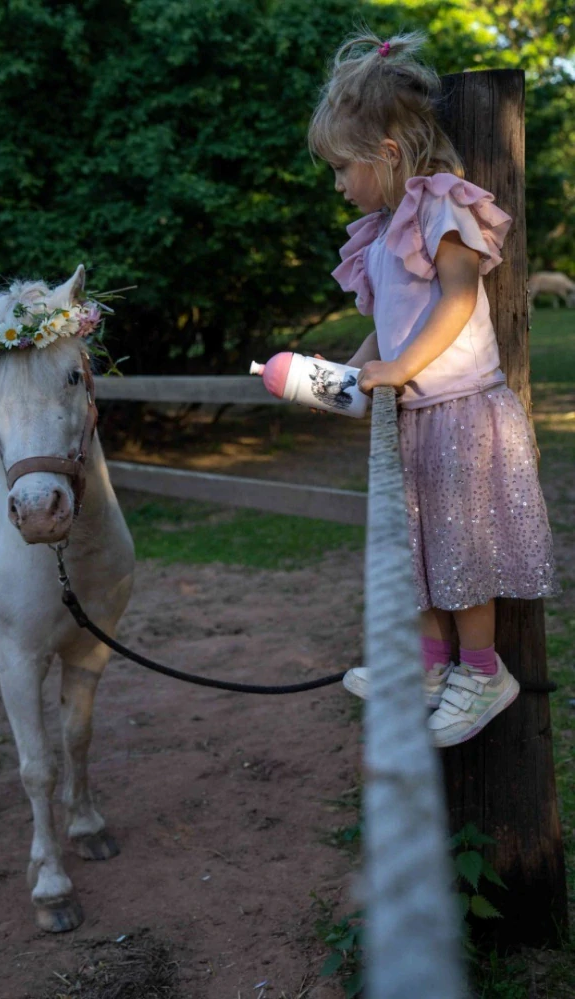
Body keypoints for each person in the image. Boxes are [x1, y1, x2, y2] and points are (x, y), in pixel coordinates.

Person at [308, 28, 559, 748]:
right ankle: (422, 667)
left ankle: (482, 671)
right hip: (412, 418)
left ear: (386, 156)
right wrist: (349, 379)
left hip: (458, 414)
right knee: (410, 551)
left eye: (341, 168)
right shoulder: (383, 234)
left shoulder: (440, 212)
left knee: (459, 551)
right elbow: (386, 335)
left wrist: (401, 368)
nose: (338, 185)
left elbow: (454, 301)